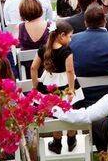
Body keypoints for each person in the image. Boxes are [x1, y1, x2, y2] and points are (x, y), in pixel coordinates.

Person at [31, 20, 77, 153]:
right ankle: (71, 139)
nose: (70, 39)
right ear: (61, 35)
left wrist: (35, 85)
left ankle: (57, 143)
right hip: (65, 82)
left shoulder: (43, 49)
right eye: (69, 36)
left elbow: (34, 67)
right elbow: (70, 70)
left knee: (54, 112)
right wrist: (71, 89)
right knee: (69, 110)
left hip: (49, 82)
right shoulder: (66, 51)